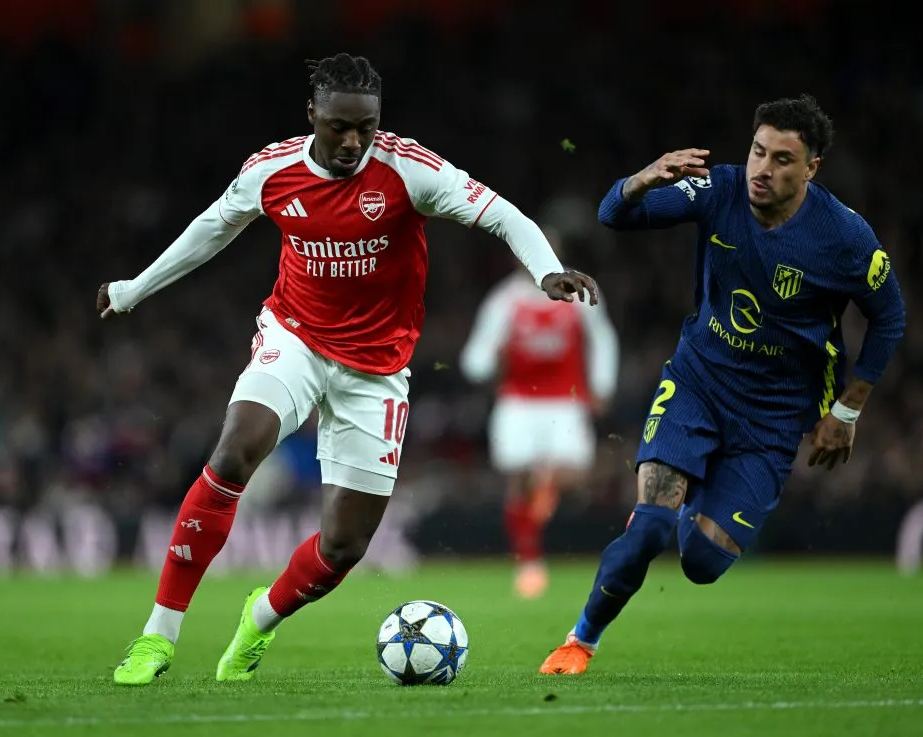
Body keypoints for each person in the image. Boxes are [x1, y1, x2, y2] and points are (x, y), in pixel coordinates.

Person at [98, 53, 598, 686]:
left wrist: (545, 269)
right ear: (312, 116)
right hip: (296, 338)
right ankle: (156, 638)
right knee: (234, 451)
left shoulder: (409, 170)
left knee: (341, 548)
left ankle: (259, 619)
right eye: (339, 126)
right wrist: (134, 289)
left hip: (378, 369)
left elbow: (502, 213)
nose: (353, 141)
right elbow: (210, 230)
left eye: (365, 126)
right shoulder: (271, 171)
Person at [538, 94, 904, 674]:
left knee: (702, 562)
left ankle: (696, 499)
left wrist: (848, 410)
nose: (763, 168)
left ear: (812, 168)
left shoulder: (845, 238)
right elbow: (615, 214)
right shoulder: (720, 190)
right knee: (651, 528)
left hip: (776, 416)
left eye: (783, 159)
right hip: (698, 383)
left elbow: (890, 316)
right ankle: (579, 641)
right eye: (758, 151)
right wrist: (642, 179)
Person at [460, 229, 619, 598]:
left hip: (566, 400)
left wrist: (602, 385)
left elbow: (603, 339)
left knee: (572, 474)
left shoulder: (578, 293)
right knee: (518, 479)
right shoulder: (504, 301)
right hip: (518, 401)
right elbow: (475, 358)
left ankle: (545, 487)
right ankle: (529, 562)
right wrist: (489, 362)